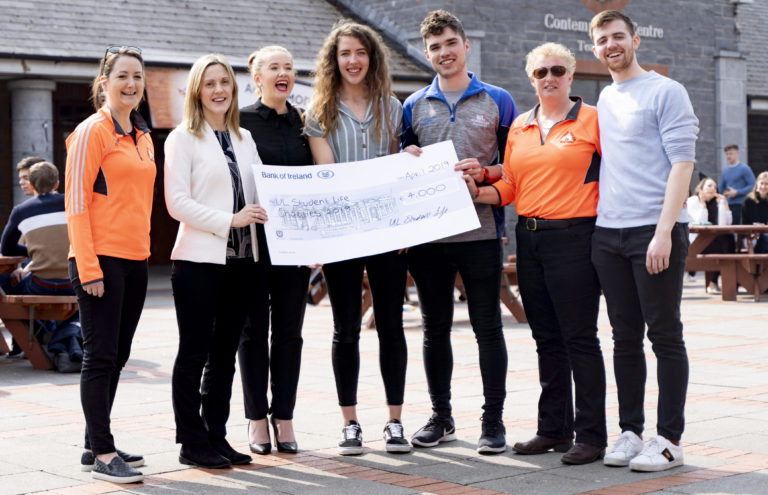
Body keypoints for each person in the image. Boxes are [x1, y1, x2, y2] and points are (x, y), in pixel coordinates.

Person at [466, 42, 606, 464]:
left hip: (575, 238)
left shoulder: (594, 120)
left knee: (579, 338)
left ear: (571, 75)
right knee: (546, 338)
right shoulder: (522, 126)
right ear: (531, 78)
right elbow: (511, 184)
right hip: (529, 240)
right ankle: (554, 430)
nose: (549, 78)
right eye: (541, 72)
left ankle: (593, 435)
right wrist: (479, 191)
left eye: (557, 71)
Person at [401, 10, 517, 454]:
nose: (444, 53)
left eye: (450, 43)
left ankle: (493, 422)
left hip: (482, 234)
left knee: (488, 329)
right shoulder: (412, 106)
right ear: (426, 53)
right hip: (428, 239)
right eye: (434, 47)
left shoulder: (498, 99)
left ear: (465, 46)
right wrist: (406, 156)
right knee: (434, 330)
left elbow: (515, 165)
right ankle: (441, 417)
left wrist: (485, 173)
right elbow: (399, 169)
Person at [589, 10, 699, 472]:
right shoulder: (605, 98)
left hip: (653, 232)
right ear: (594, 48)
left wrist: (662, 232)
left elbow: (682, 165)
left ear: (635, 40)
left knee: (665, 335)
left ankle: (669, 439)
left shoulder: (666, 91)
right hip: (607, 233)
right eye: (602, 40)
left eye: (618, 36)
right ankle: (631, 431)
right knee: (624, 338)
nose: (611, 45)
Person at [305, 21, 410, 455]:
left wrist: (407, 163)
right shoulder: (318, 113)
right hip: (341, 237)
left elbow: (396, 168)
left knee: (391, 325)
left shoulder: (394, 108)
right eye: (345, 53)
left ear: (372, 58)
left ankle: (395, 421)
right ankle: (349, 422)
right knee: (345, 327)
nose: (353, 61)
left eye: (360, 53)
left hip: (387, 234)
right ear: (335, 60)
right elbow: (329, 177)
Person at [165, 53, 267, 470]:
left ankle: (216, 435)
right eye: (209, 83)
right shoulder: (181, 138)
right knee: (194, 352)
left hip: (244, 263)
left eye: (224, 81)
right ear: (196, 91)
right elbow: (177, 203)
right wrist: (231, 219)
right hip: (198, 262)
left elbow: (263, 192)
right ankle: (191, 441)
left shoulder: (245, 139)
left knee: (224, 353)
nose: (219, 90)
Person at [65, 45, 155, 483]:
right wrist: (89, 267)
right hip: (99, 259)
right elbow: (76, 204)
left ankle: (93, 442)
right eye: (122, 75)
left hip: (135, 259)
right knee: (99, 357)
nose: (131, 83)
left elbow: (139, 203)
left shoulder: (142, 136)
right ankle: (103, 452)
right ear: (105, 82)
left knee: (118, 355)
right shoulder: (91, 132)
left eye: (137, 76)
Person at [238, 45, 312, 455]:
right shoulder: (240, 122)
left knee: (289, 334)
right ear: (257, 77)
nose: (283, 72)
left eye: (288, 66)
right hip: (251, 245)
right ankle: (254, 418)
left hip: (295, 248)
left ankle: (283, 416)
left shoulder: (306, 123)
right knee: (251, 333)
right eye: (274, 67)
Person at [0, 162, 82, 370]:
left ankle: (29, 339)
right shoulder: (73, 204)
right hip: (73, 283)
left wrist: (33, 252)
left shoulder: (21, 210)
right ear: (57, 183)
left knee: (5, 282)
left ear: (33, 186)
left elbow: (6, 248)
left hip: (39, 284)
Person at [1, 155, 45, 357]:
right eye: (20, 178)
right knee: (7, 278)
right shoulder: (28, 208)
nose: (21, 182)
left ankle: (26, 338)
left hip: (48, 274)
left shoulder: (30, 209)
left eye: (26, 177)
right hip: (39, 269)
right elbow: (21, 246)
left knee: (5, 281)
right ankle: (24, 339)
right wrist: (20, 267)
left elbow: (49, 252)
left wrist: (25, 268)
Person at [685, 177, 733, 294]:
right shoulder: (693, 201)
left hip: (714, 241)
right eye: (709, 186)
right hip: (697, 243)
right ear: (700, 188)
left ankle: (717, 282)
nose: (713, 189)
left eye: (715, 187)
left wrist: (724, 205)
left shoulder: (717, 202)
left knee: (727, 238)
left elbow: (725, 225)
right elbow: (700, 223)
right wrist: (702, 204)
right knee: (724, 243)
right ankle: (716, 282)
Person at [719, 145, 755, 224]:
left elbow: (752, 185)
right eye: (727, 154)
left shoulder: (744, 168)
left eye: (731, 153)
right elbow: (721, 188)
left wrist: (737, 192)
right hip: (727, 205)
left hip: (740, 204)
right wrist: (725, 193)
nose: (728, 156)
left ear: (737, 154)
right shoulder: (725, 170)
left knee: (739, 229)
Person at [741, 171, 768, 253]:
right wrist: (753, 230)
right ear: (757, 184)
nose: (763, 186)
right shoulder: (748, 200)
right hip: (750, 236)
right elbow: (743, 223)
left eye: (767, 184)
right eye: (761, 183)